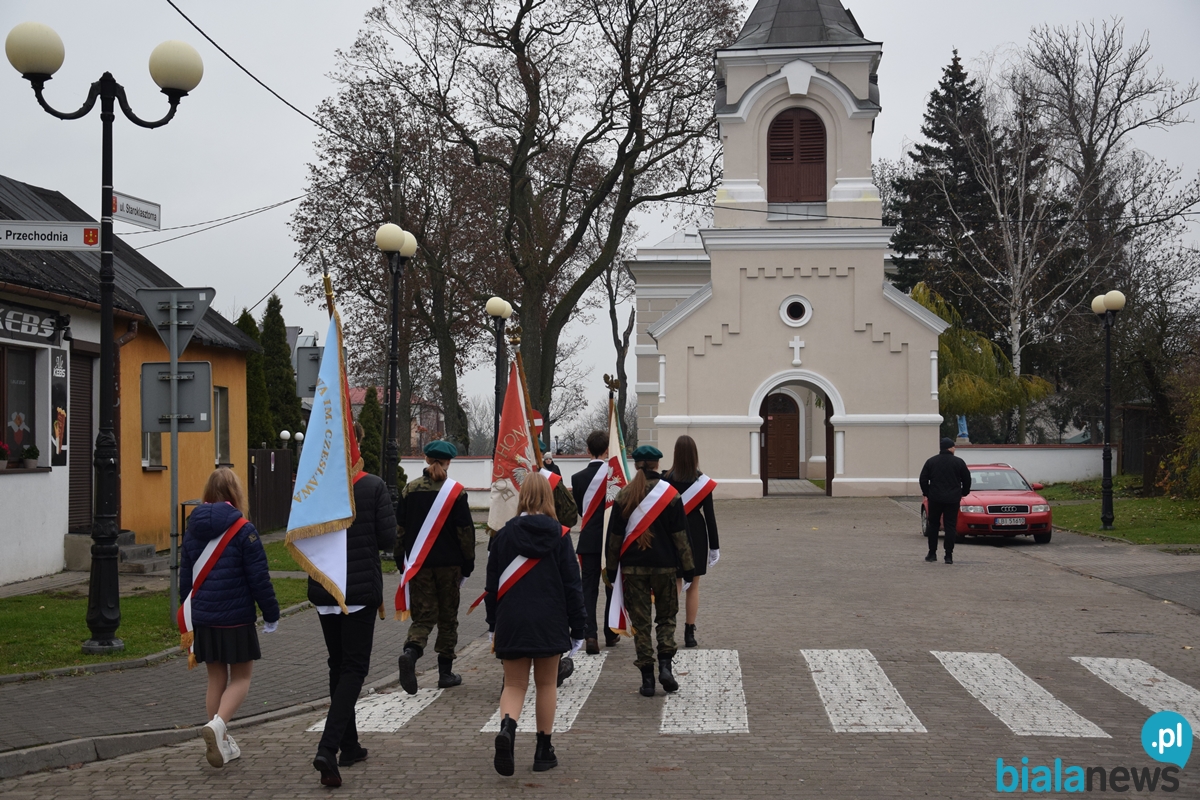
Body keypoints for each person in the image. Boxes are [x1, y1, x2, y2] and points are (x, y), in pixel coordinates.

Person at [310, 423, 397, 788]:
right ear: (358, 442)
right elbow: (388, 538)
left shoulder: (315, 486)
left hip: (325, 590)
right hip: (358, 592)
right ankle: (328, 747)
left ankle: (350, 745)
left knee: (339, 665)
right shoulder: (373, 486)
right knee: (354, 668)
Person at [486, 473, 586, 776]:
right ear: (548, 497)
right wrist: (578, 627)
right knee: (546, 684)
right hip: (550, 620)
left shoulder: (503, 535)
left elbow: (492, 586)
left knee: (514, 685)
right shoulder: (561, 535)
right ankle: (544, 751)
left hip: (512, 620)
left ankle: (507, 729)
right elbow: (573, 585)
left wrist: (492, 624)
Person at [180, 467, 279, 769]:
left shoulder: (192, 529)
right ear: (236, 493)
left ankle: (221, 741)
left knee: (216, 678)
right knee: (242, 678)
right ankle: (218, 725)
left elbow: (186, 580)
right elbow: (259, 578)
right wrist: (271, 613)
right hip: (236, 618)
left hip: (204, 618)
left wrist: (190, 617)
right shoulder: (244, 529)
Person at [605, 445, 694, 697]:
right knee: (666, 618)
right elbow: (681, 536)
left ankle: (647, 680)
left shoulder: (624, 495)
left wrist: (610, 570)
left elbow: (614, 538)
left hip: (633, 569)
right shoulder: (671, 494)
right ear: (657, 464)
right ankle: (665, 667)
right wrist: (688, 568)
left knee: (641, 624)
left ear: (636, 465)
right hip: (665, 566)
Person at [396, 440, 475, 693]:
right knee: (448, 618)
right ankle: (445, 673)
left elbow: (400, 530)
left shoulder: (409, 490)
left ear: (426, 459)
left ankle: (411, 653)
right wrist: (469, 562)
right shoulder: (457, 493)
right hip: (449, 566)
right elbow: (465, 532)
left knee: (423, 616)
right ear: (449, 461)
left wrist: (401, 561)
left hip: (419, 565)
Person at [663, 435, 719, 649]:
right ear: (695, 455)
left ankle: (668, 632)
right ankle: (689, 633)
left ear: (676, 454)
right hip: (696, 531)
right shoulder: (702, 482)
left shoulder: (666, 479)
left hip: (673, 532)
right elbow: (710, 517)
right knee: (693, 586)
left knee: (676, 583)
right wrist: (714, 546)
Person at [570, 431, 617, 654]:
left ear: (588, 450)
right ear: (608, 450)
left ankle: (590, 634)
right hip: (611, 540)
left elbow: (582, 511)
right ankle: (611, 632)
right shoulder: (614, 476)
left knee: (588, 589)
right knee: (611, 587)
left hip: (589, 539)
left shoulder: (577, 478)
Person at [919, 437, 972, 565]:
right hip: (952, 499)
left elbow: (923, 479)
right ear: (950, 448)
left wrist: (927, 493)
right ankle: (948, 555)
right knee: (950, 526)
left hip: (935, 498)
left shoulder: (931, 461)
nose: (955, 449)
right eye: (953, 447)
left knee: (933, 525)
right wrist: (963, 492)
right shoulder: (959, 462)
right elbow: (967, 479)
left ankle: (932, 553)